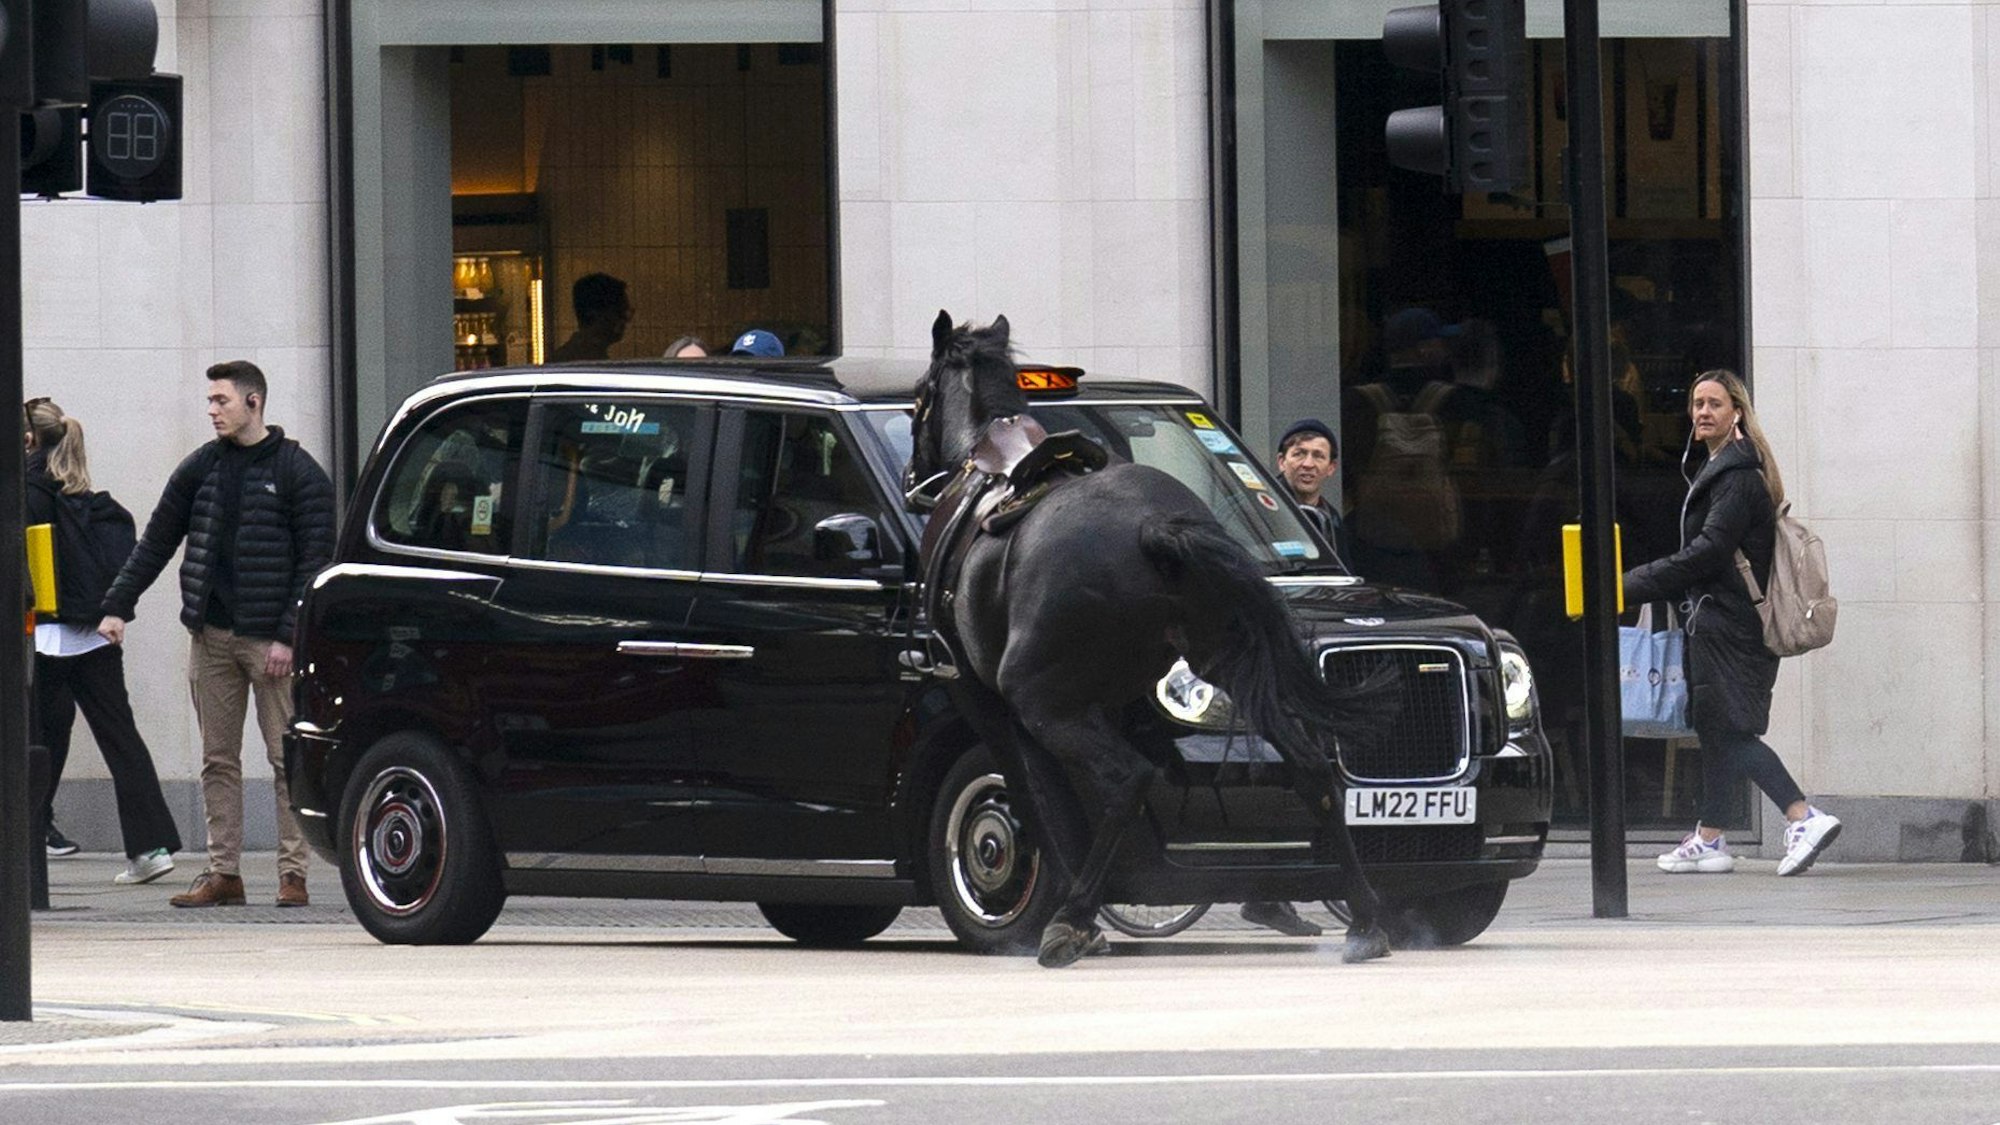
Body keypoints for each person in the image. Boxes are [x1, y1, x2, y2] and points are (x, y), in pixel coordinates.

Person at [98, 361, 337, 907]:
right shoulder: (201, 468)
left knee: (285, 760)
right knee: (218, 759)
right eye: (209, 402)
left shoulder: (298, 471)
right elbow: (157, 539)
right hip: (211, 635)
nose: (212, 411)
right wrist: (118, 605)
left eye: (221, 401)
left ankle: (292, 874)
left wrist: (288, 636)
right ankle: (223, 872)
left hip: (270, 642)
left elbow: (316, 561)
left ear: (254, 402)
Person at [1624, 369, 1840, 876]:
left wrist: (1628, 584)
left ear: (1736, 413)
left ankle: (1802, 816)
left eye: (1714, 404)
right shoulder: (1726, 470)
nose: (1702, 412)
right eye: (1697, 403)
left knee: (1733, 732)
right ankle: (1710, 837)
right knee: (1716, 729)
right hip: (1718, 622)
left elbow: (1708, 552)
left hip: (1732, 626)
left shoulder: (1738, 479)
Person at [24, 399, 183, 883]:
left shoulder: (26, 492)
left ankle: (31, 839)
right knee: (121, 738)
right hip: (94, 635)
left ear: (31, 440)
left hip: (45, 637)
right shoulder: (86, 498)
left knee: (39, 740)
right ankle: (150, 849)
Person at [1274, 418, 1353, 570]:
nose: (1308, 464)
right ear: (1281, 462)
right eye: (1299, 454)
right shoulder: (1254, 507)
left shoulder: (1332, 520)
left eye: (1318, 456)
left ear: (1331, 467)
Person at [548, 273, 633, 363]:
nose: (625, 321)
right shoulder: (587, 361)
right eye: (619, 313)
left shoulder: (570, 357)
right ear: (594, 313)